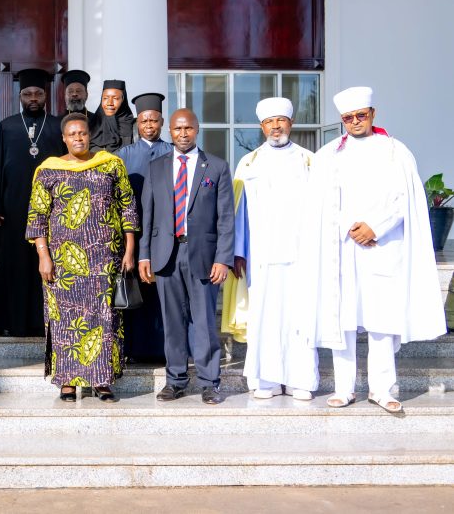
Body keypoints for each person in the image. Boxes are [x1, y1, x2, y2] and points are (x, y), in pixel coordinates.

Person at [299, 86, 446, 413]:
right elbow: (318, 207)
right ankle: (344, 388)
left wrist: (374, 227)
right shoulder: (328, 155)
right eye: (348, 118)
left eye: (360, 116)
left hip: (382, 246)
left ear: (373, 114)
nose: (354, 122)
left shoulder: (395, 151)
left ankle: (382, 389)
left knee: (382, 320)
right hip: (342, 250)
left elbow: (404, 199)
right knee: (343, 319)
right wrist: (345, 227)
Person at [27, 113, 137, 402]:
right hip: (63, 263)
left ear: (90, 135)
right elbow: (37, 217)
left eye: (83, 133)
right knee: (64, 319)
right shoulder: (48, 171)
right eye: (72, 134)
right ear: (64, 138)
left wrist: (129, 249)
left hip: (104, 258)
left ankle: (102, 381)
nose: (78, 138)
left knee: (104, 318)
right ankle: (67, 381)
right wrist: (43, 255)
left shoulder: (111, 165)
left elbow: (127, 207)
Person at [223, 97, 319, 400]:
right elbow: (237, 212)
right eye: (269, 122)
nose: (275, 126)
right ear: (262, 126)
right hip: (260, 257)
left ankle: (299, 380)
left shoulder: (309, 161)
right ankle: (265, 380)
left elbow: (321, 210)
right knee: (264, 317)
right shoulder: (249, 162)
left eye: (281, 120)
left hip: (300, 255)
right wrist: (238, 251)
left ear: (290, 123)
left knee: (299, 317)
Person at [139, 109, 234, 405]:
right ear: (170, 131)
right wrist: (144, 256)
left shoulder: (216, 167)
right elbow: (148, 215)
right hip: (165, 255)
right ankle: (176, 380)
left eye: (188, 128)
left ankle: (209, 382)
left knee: (205, 321)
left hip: (203, 255)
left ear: (197, 130)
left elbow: (226, 219)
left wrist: (224, 258)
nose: (183, 133)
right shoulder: (156, 167)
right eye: (178, 128)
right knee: (173, 321)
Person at [0, 68, 66, 337]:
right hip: (13, 209)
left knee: (46, 263)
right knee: (15, 264)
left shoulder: (58, 126)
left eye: (38, 93)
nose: (33, 98)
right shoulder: (7, 126)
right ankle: (12, 321)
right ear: (20, 96)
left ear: (46, 96)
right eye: (28, 93)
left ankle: (46, 321)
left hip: (53, 212)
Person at [116, 92, 173, 363]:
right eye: (143, 120)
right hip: (133, 234)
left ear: (161, 122)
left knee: (163, 294)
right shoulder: (123, 155)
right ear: (137, 123)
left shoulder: (173, 152)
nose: (149, 125)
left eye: (154, 120)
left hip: (166, 233)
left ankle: (164, 349)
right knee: (135, 291)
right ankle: (134, 349)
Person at [89, 80, 135, 152]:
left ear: (123, 100)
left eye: (115, 98)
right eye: (105, 98)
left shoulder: (133, 127)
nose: (109, 103)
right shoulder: (92, 126)